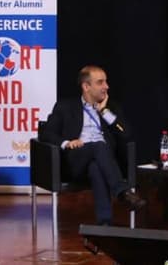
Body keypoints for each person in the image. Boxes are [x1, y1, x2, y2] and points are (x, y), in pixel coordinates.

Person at [41, 65, 146, 225]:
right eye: (100, 82)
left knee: (96, 166)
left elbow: (126, 134)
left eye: (106, 82)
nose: (106, 86)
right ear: (86, 86)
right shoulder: (65, 107)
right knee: (98, 146)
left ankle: (105, 224)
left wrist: (104, 111)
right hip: (75, 160)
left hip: (104, 162)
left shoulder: (112, 108)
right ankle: (122, 192)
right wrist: (67, 143)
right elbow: (47, 134)